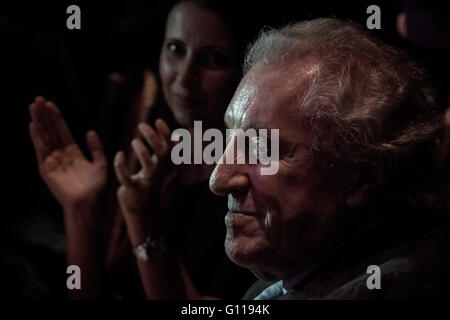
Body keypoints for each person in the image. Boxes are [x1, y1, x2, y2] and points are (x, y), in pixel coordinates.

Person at [28, 0, 260, 299]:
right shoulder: (141, 134)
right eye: (175, 49)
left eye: (214, 58)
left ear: (246, 70)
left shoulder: (250, 183)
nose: (185, 77)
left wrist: (144, 216)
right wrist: (79, 206)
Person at [208, 18, 450, 299]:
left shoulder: (392, 289)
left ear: (363, 176)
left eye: (262, 147)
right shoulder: (279, 283)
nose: (219, 180)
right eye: (231, 140)